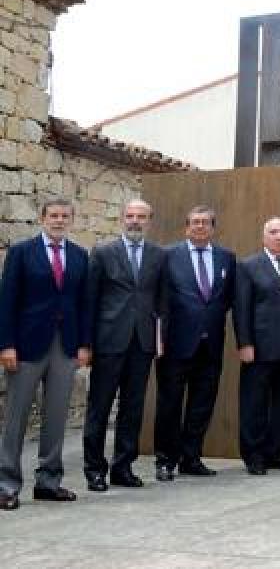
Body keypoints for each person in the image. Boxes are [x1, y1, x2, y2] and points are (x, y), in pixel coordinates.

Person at [0, 198, 90, 511]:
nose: (59, 220)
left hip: (65, 346)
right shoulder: (21, 253)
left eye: (65, 216)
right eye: (54, 215)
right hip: (25, 346)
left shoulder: (80, 256)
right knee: (16, 417)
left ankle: (49, 482)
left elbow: (84, 304)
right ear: (42, 218)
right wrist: (6, 345)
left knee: (56, 416)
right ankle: (6, 485)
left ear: (72, 220)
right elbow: (7, 301)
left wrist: (84, 345)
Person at [81, 199, 165, 492]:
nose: (135, 221)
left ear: (149, 220)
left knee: (133, 407)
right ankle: (94, 470)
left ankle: (123, 467)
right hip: (108, 341)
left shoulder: (158, 255)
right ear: (121, 219)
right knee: (100, 407)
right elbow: (89, 301)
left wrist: (159, 340)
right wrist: (86, 344)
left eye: (141, 216)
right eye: (130, 216)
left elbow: (162, 301)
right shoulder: (103, 253)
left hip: (141, 343)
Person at [153, 205, 236, 482]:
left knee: (202, 403)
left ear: (213, 227)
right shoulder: (167, 256)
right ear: (186, 226)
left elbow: (226, 300)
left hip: (210, 344)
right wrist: (159, 338)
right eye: (195, 222)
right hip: (175, 343)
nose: (200, 226)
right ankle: (165, 460)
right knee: (170, 404)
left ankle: (191, 457)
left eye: (205, 222)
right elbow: (160, 299)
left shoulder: (227, 258)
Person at [233, 217, 280, 476]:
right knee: (254, 403)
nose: (278, 236)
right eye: (273, 232)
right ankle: (253, 456)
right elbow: (241, 309)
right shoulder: (248, 266)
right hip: (260, 348)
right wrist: (244, 343)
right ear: (263, 235)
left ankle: (276, 453)